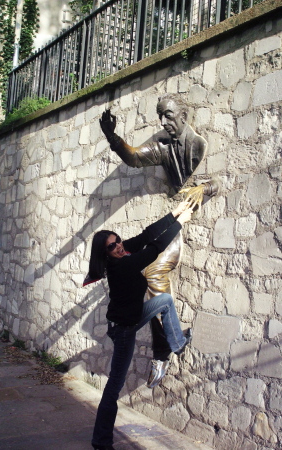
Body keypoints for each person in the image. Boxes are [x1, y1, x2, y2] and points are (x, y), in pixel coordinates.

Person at [99, 94, 218, 389]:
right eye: (160, 117)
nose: (164, 123)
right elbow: (135, 156)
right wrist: (113, 138)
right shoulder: (163, 148)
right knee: (150, 278)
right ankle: (167, 348)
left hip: (179, 220)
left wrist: (204, 188)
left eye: (168, 116)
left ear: (184, 114)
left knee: (152, 273)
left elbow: (215, 181)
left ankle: (163, 352)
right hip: (171, 220)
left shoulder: (198, 145)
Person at [88, 201, 193, 450]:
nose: (119, 246)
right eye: (112, 246)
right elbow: (154, 248)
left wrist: (173, 213)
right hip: (124, 329)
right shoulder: (122, 265)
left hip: (132, 317)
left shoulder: (123, 253)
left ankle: (177, 343)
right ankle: (101, 442)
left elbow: (146, 235)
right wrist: (180, 223)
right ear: (105, 253)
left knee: (165, 300)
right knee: (114, 385)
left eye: (118, 241)